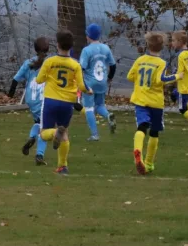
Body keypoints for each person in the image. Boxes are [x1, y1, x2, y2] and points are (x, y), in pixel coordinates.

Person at [36, 30, 92, 175]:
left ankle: (55, 133)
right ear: (71, 46)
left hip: (50, 101)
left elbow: (39, 80)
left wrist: (48, 76)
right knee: (65, 132)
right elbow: (81, 85)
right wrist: (88, 90)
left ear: (58, 45)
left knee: (43, 134)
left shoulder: (50, 62)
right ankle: (63, 166)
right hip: (67, 103)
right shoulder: (75, 65)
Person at [127, 32, 182, 175]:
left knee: (141, 127)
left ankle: (138, 150)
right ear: (162, 47)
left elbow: (130, 76)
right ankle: (149, 163)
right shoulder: (161, 63)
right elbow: (161, 80)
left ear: (147, 45)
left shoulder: (140, 60)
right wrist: (177, 76)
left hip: (140, 99)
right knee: (154, 132)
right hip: (156, 102)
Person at [8, 37, 49, 166]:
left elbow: (15, 80)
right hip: (43, 98)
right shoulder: (50, 63)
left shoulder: (28, 62)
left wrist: (10, 94)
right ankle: (39, 155)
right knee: (46, 127)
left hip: (31, 98)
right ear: (48, 49)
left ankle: (32, 137)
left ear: (35, 49)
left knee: (39, 122)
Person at [79, 23, 117, 141]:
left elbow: (81, 68)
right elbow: (113, 65)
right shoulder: (105, 48)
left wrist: (81, 84)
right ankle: (108, 115)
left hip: (89, 83)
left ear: (88, 36)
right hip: (102, 82)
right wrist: (109, 77)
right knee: (100, 105)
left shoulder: (86, 50)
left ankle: (95, 135)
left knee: (89, 108)